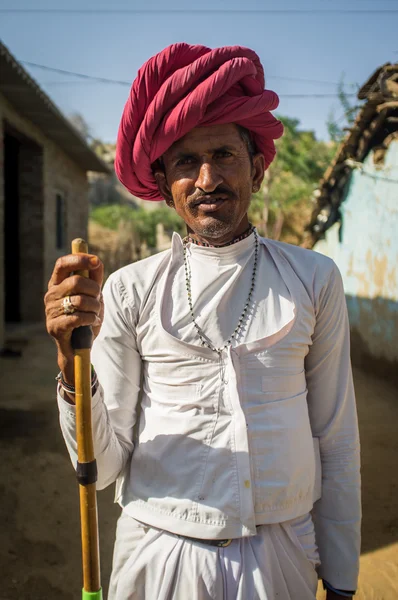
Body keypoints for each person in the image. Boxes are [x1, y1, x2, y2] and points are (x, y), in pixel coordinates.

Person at [44, 43, 361, 600]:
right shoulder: (129, 289)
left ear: (258, 169)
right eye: (186, 162)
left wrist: (340, 579)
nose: (207, 178)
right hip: (157, 556)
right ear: (165, 185)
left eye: (225, 154)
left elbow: (335, 440)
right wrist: (72, 363)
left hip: (281, 557)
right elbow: (102, 460)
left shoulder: (314, 279)